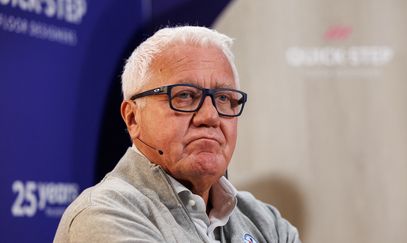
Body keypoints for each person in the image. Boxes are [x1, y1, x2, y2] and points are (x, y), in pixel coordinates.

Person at [54, 26, 301, 243]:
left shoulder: (265, 220)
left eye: (224, 98)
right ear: (132, 118)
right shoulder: (104, 214)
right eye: (184, 96)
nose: (210, 116)